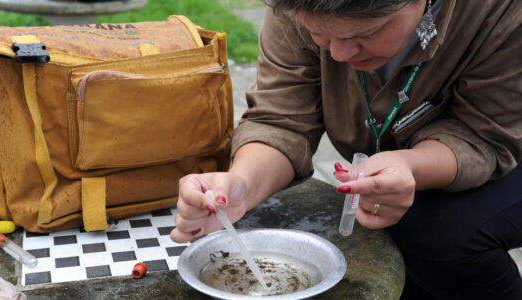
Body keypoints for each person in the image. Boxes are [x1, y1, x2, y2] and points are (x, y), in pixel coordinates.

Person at [171, 0, 522, 298]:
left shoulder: (500, 11)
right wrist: (243, 185)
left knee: (440, 234)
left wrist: (412, 164)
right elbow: (282, 118)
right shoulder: (298, 7)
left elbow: (485, 132)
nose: (337, 53)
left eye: (363, 34)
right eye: (319, 33)